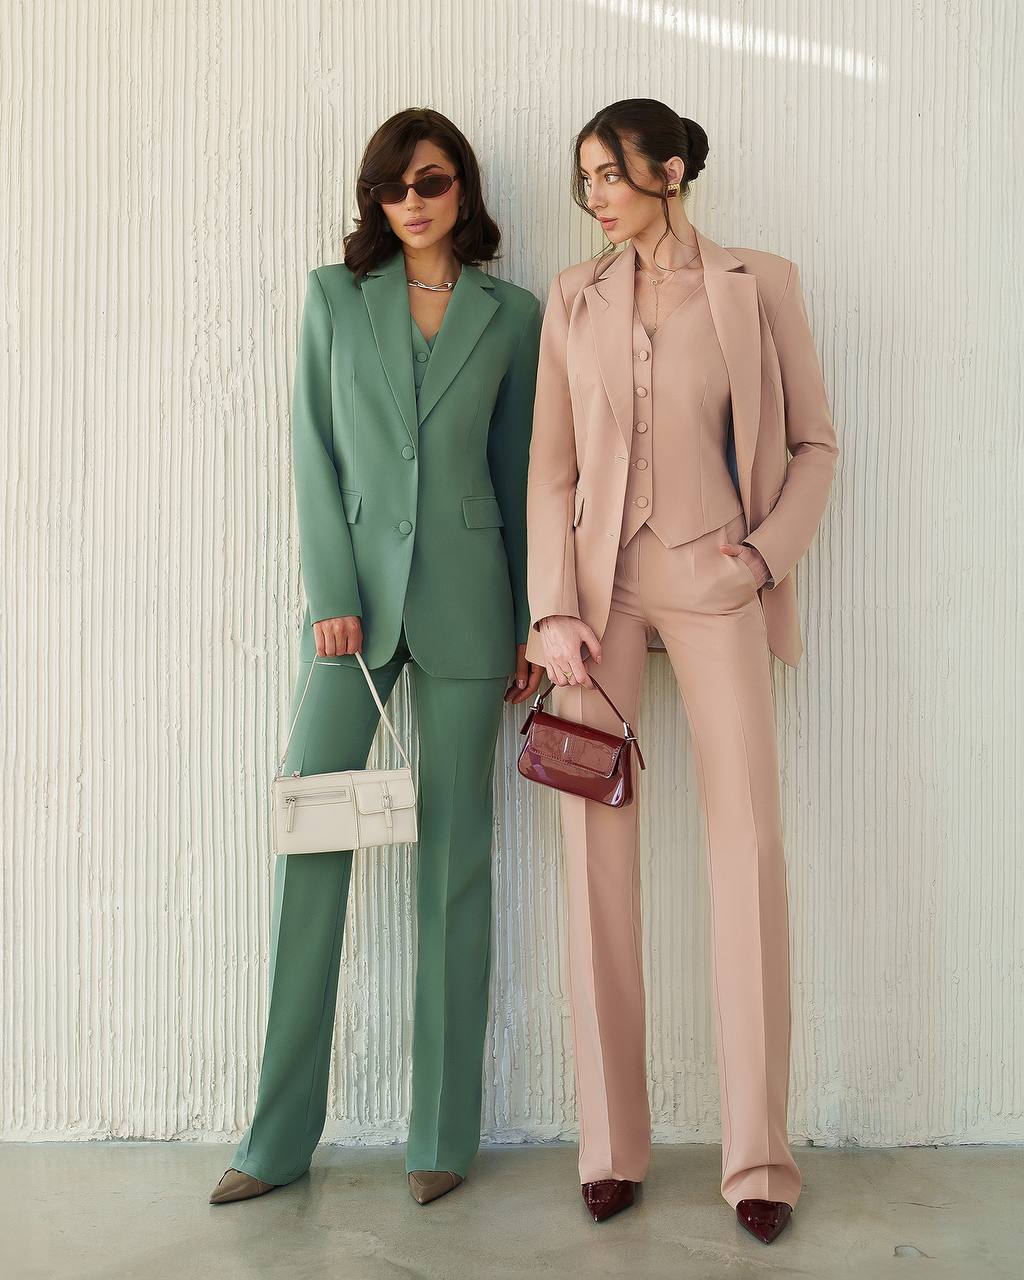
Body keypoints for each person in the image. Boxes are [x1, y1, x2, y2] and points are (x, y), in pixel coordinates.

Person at [210, 107, 544, 1206]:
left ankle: (439, 1135)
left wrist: (528, 618)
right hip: (351, 615)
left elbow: (520, 473)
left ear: (463, 190)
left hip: (470, 607)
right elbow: (311, 449)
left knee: (454, 860)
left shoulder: (512, 314)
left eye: (431, 181)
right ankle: (276, 1140)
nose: (411, 201)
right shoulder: (332, 297)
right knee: (313, 841)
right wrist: (331, 595)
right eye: (392, 186)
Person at [524, 98, 839, 1244]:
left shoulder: (761, 283)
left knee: (746, 848)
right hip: (597, 598)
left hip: (715, 581)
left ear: (668, 170)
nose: (594, 197)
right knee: (594, 861)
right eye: (583, 180)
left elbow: (814, 444)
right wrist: (551, 610)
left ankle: (759, 1159)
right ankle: (610, 1146)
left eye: (609, 174)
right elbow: (551, 470)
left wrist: (762, 556)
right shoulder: (573, 295)